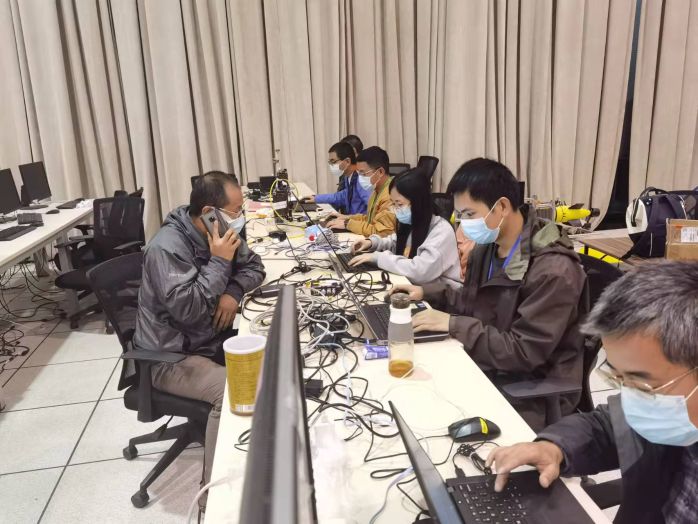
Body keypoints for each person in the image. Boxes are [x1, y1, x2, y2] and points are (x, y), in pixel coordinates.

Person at [487, 262, 698, 524]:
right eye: (618, 378)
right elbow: (609, 426)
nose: (630, 397)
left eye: (641, 383)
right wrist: (554, 448)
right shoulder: (673, 412)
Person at [388, 158, 587, 430]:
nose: (464, 224)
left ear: (501, 207)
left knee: (426, 419)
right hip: (488, 362)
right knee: (403, 393)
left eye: (469, 214)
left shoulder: (553, 270)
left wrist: (453, 324)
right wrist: (426, 292)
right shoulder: (487, 248)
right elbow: (472, 301)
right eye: (460, 215)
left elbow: (524, 352)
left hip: (530, 389)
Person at [133, 172, 265, 493]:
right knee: (234, 390)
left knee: (272, 356)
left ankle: (258, 460)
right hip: (169, 356)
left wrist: (232, 292)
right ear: (209, 212)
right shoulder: (166, 248)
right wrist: (219, 262)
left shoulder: (221, 230)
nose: (241, 216)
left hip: (207, 339)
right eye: (236, 210)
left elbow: (255, 266)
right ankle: (213, 493)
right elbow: (189, 311)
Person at [348, 168, 460, 285]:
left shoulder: (441, 231)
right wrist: (372, 243)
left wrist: (378, 258)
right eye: (393, 203)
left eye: (399, 204)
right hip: (413, 287)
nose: (395, 209)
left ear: (418, 202)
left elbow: (419, 271)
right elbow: (396, 241)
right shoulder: (415, 222)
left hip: (439, 294)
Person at [326, 146, 396, 237]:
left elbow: (381, 232)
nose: (360, 178)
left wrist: (347, 224)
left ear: (380, 172)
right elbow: (370, 219)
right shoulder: (377, 190)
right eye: (359, 173)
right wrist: (347, 218)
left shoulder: (391, 195)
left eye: (363, 173)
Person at [304, 141, 371, 215]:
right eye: (330, 162)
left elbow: (373, 209)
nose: (331, 165)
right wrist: (316, 198)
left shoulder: (362, 179)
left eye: (333, 161)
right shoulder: (348, 176)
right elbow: (341, 196)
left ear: (347, 161)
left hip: (359, 221)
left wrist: (349, 219)